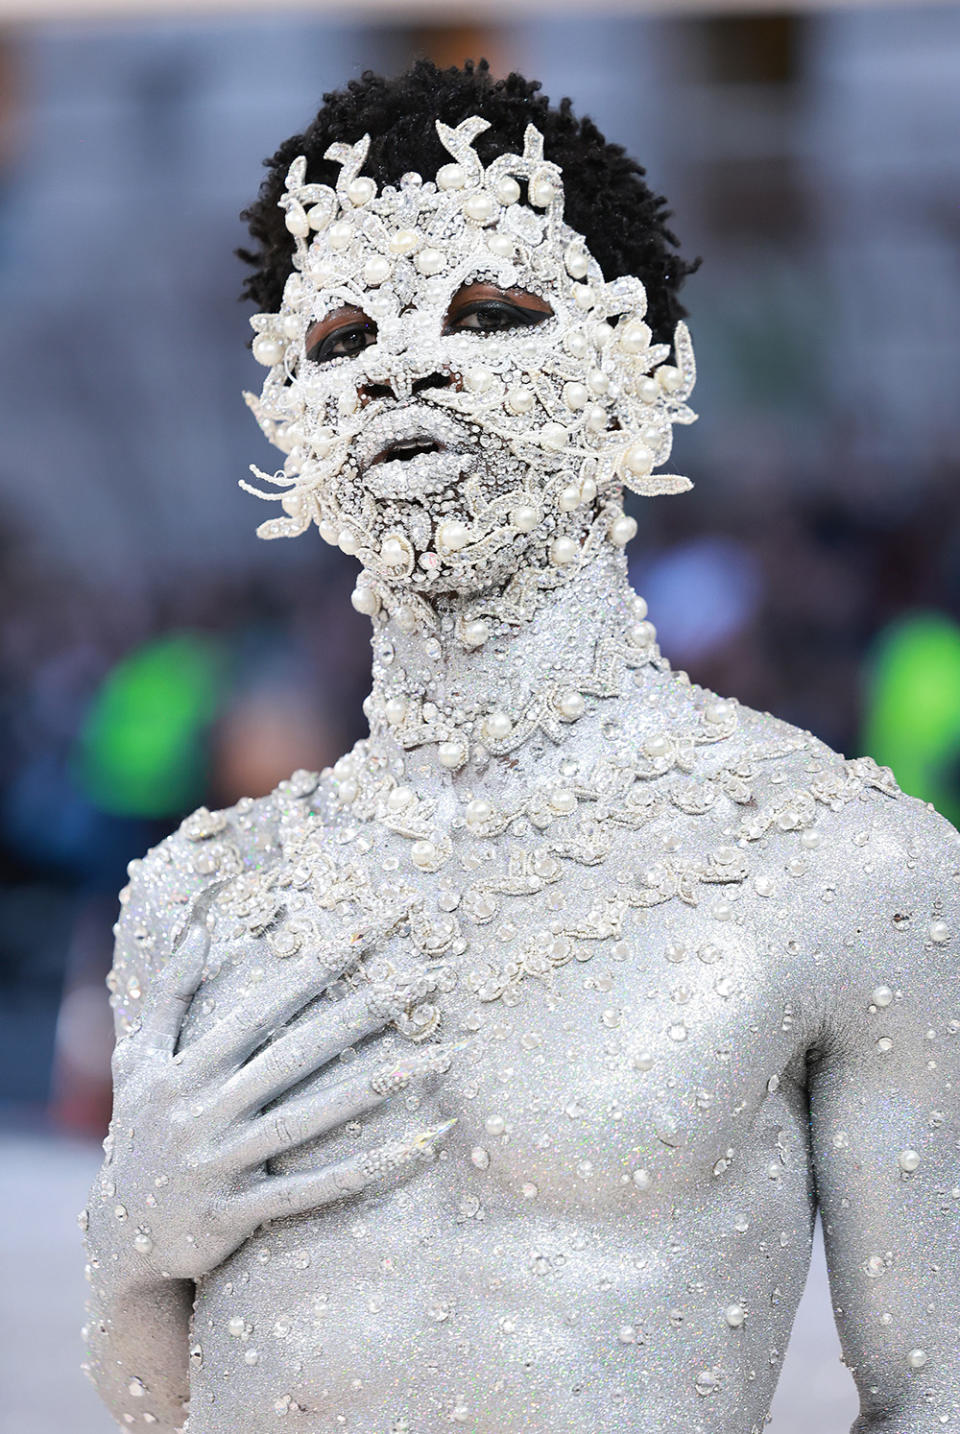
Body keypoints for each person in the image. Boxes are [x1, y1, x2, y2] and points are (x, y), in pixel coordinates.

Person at [80, 59, 960, 1434]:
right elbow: (149, 1403)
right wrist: (136, 1242)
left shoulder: (848, 867)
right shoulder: (201, 897)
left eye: (491, 312)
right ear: (286, 420)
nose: (404, 366)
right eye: (341, 335)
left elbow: (935, 1383)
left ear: (647, 372)